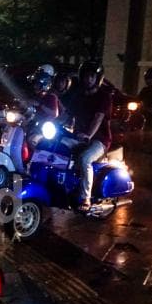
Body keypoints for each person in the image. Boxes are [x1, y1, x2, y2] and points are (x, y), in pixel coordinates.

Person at [65, 61, 112, 211]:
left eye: (92, 76)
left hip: (100, 139)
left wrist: (88, 135)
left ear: (97, 78)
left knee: (85, 159)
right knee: (55, 147)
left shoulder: (104, 97)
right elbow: (66, 114)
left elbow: (98, 118)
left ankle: (86, 198)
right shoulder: (78, 95)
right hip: (79, 136)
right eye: (85, 76)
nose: (88, 79)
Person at [24, 68, 60, 151]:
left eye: (37, 84)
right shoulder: (33, 96)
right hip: (31, 125)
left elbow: (54, 114)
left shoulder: (51, 97)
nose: (34, 86)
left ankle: (35, 160)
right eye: (34, 84)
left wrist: (40, 105)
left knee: (33, 141)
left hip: (44, 129)